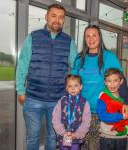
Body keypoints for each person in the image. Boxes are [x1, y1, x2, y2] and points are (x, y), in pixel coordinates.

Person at [16, 4, 78, 150]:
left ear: (64, 20)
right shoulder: (33, 37)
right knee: (33, 137)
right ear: (46, 17)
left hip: (57, 100)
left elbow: (76, 68)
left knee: (52, 136)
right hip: (33, 99)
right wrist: (20, 90)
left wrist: (73, 92)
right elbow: (23, 64)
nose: (57, 20)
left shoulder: (69, 42)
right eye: (54, 16)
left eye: (61, 17)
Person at [71, 24, 128, 150]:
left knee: (97, 147)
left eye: (94, 35)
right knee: (80, 146)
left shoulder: (109, 57)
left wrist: (127, 103)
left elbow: (121, 81)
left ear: (99, 37)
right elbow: (72, 82)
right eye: (88, 36)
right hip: (82, 111)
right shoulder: (79, 58)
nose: (91, 39)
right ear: (84, 39)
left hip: (101, 113)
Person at [97, 68, 128, 150]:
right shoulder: (103, 96)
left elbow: (127, 118)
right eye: (109, 81)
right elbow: (103, 116)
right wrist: (121, 116)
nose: (112, 84)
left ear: (121, 81)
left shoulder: (122, 99)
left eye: (115, 80)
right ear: (105, 82)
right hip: (107, 137)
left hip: (122, 136)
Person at [52, 74, 91, 150]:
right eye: (70, 86)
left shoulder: (85, 103)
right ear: (66, 88)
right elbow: (55, 118)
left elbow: (86, 122)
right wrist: (63, 132)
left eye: (76, 85)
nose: (73, 88)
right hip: (63, 137)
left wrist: (77, 134)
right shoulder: (61, 101)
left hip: (76, 138)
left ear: (80, 87)